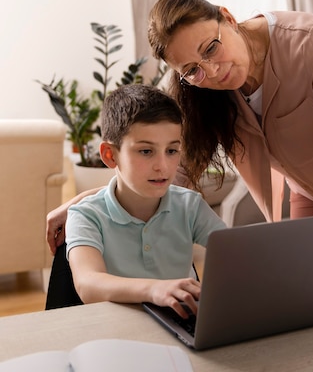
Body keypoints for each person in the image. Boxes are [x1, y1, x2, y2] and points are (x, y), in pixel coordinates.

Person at [47, 0, 313, 298]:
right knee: (309, 294)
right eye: (192, 69)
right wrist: (90, 202)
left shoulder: (310, 42)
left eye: (211, 49)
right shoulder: (195, 85)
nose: (212, 71)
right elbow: (170, 172)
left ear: (227, 18)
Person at [64, 84, 226, 318]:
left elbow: (237, 255)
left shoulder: (189, 205)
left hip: (181, 323)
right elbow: (88, 285)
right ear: (111, 155)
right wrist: (154, 289)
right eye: (146, 151)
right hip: (120, 330)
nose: (163, 166)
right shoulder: (86, 215)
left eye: (171, 151)